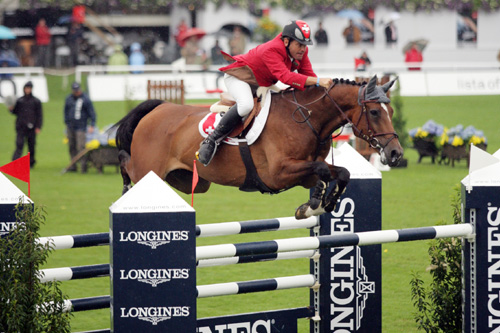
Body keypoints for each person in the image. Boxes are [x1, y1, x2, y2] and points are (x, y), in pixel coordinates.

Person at [196, 20, 333, 166]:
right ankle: (211, 141)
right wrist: (318, 81)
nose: (303, 49)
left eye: (305, 45)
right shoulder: (272, 49)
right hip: (240, 78)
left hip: (260, 84)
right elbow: (286, 77)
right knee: (246, 106)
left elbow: (307, 75)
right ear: (286, 41)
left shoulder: (300, 51)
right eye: (299, 44)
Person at [64, 82, 96, 173]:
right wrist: (66, 122)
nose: (77, 92)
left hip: (81, 127)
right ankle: (73, 165)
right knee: (71, 146)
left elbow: (92, 113)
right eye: (75, 90)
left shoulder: (85, 99)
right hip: (70, 126)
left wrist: (92, 124)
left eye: (78, 90)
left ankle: (83, 166)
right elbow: (66, 111)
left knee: (80, 146)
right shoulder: (69, 99)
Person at [9, 81, 43, 168]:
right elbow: (15, 112)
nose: (27, 90)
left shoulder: (36, 101)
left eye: (29, 88)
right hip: (21, 126)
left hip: (32, 127)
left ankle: (31, 162)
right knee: (19, 144)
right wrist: (11, 109)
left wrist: (38, 126)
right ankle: (15, 161)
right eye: (26, 88)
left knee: (31, 146)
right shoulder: (20, 101)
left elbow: (39, 115)